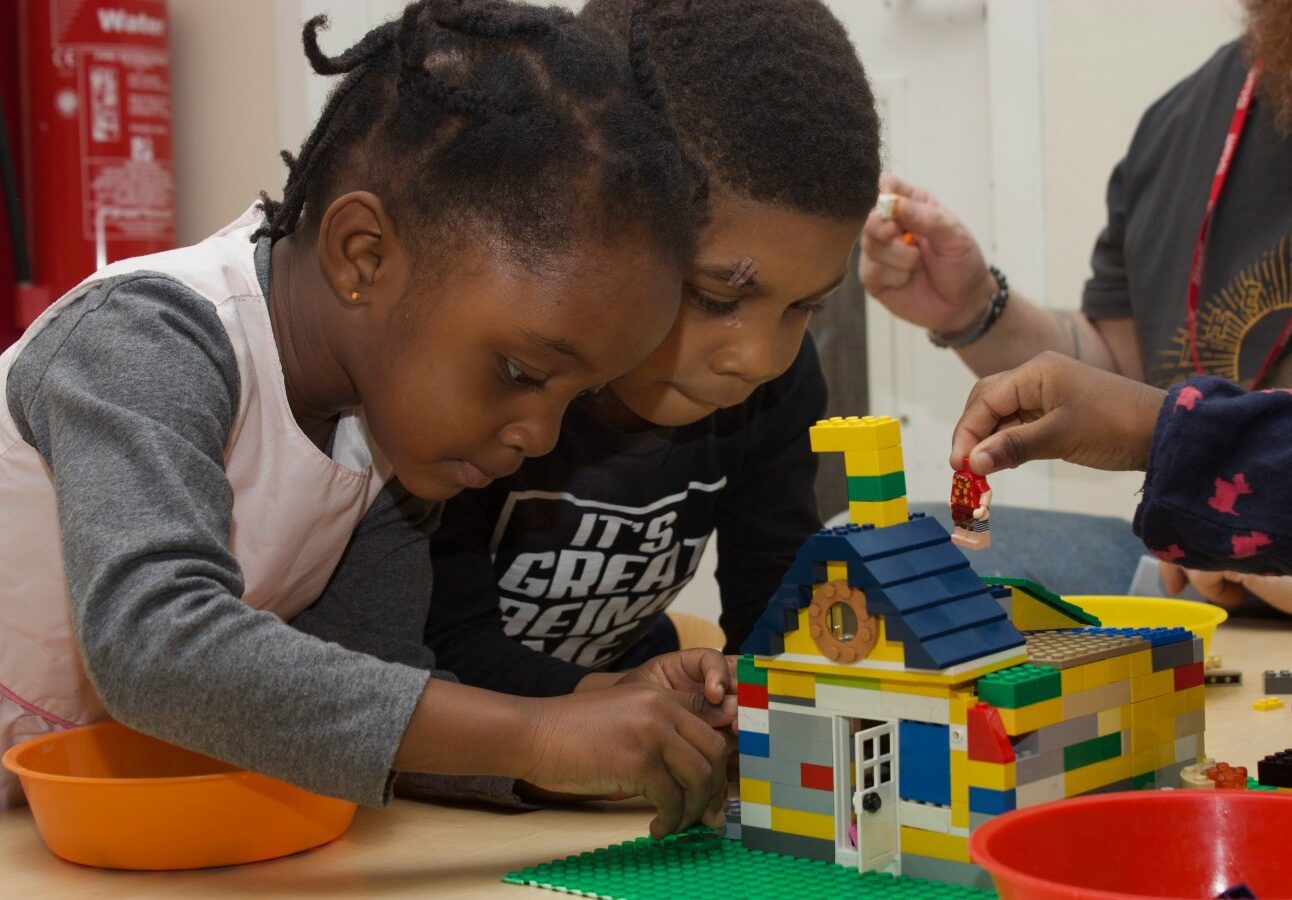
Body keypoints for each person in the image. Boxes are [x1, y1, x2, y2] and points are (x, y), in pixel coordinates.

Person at [0, 0, 734, 837]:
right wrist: (535, 734)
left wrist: (599, 730)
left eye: (573, 397)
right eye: (521, 372)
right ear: (364, 256)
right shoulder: (147, 339)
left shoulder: (383, 449)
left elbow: (367, 708)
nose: (540, 435)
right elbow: (157, 643)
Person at [411, 0, 879, 717]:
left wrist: (750, 701)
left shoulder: (778, 390)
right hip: (452, 741)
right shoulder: (492, 380)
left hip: (629, 698)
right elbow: (432, 647)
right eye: (715, 297)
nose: (758, 357)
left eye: (803, 306)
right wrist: (609, 711)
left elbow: (771, 614)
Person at [861, 0, 1292, 607]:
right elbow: (1123, 379)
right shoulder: (1183, 122)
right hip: (1194, 573)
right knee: (883, 561)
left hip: (1242, 574)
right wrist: (974, 309)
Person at [950, 352, 1292, 613]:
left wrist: (1147, 426)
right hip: (1188, 548)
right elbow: (1112, 352)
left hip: (1249, 541)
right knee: (931, 540)